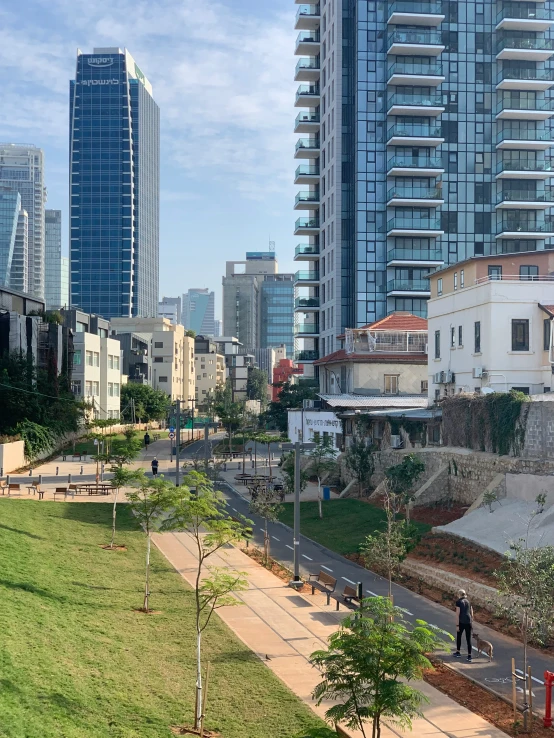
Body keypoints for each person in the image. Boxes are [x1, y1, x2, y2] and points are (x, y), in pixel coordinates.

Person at [454, 589, 474, 662]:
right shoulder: (468, 601)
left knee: (459, 636)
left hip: (461, 622)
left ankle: (458, 652)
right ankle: (469, 656)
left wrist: (457, 625)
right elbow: (471, 612)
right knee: (468, 639)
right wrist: (471, 621)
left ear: (459, 594)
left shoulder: (458, 602)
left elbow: (457, 614)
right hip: (468, 622)